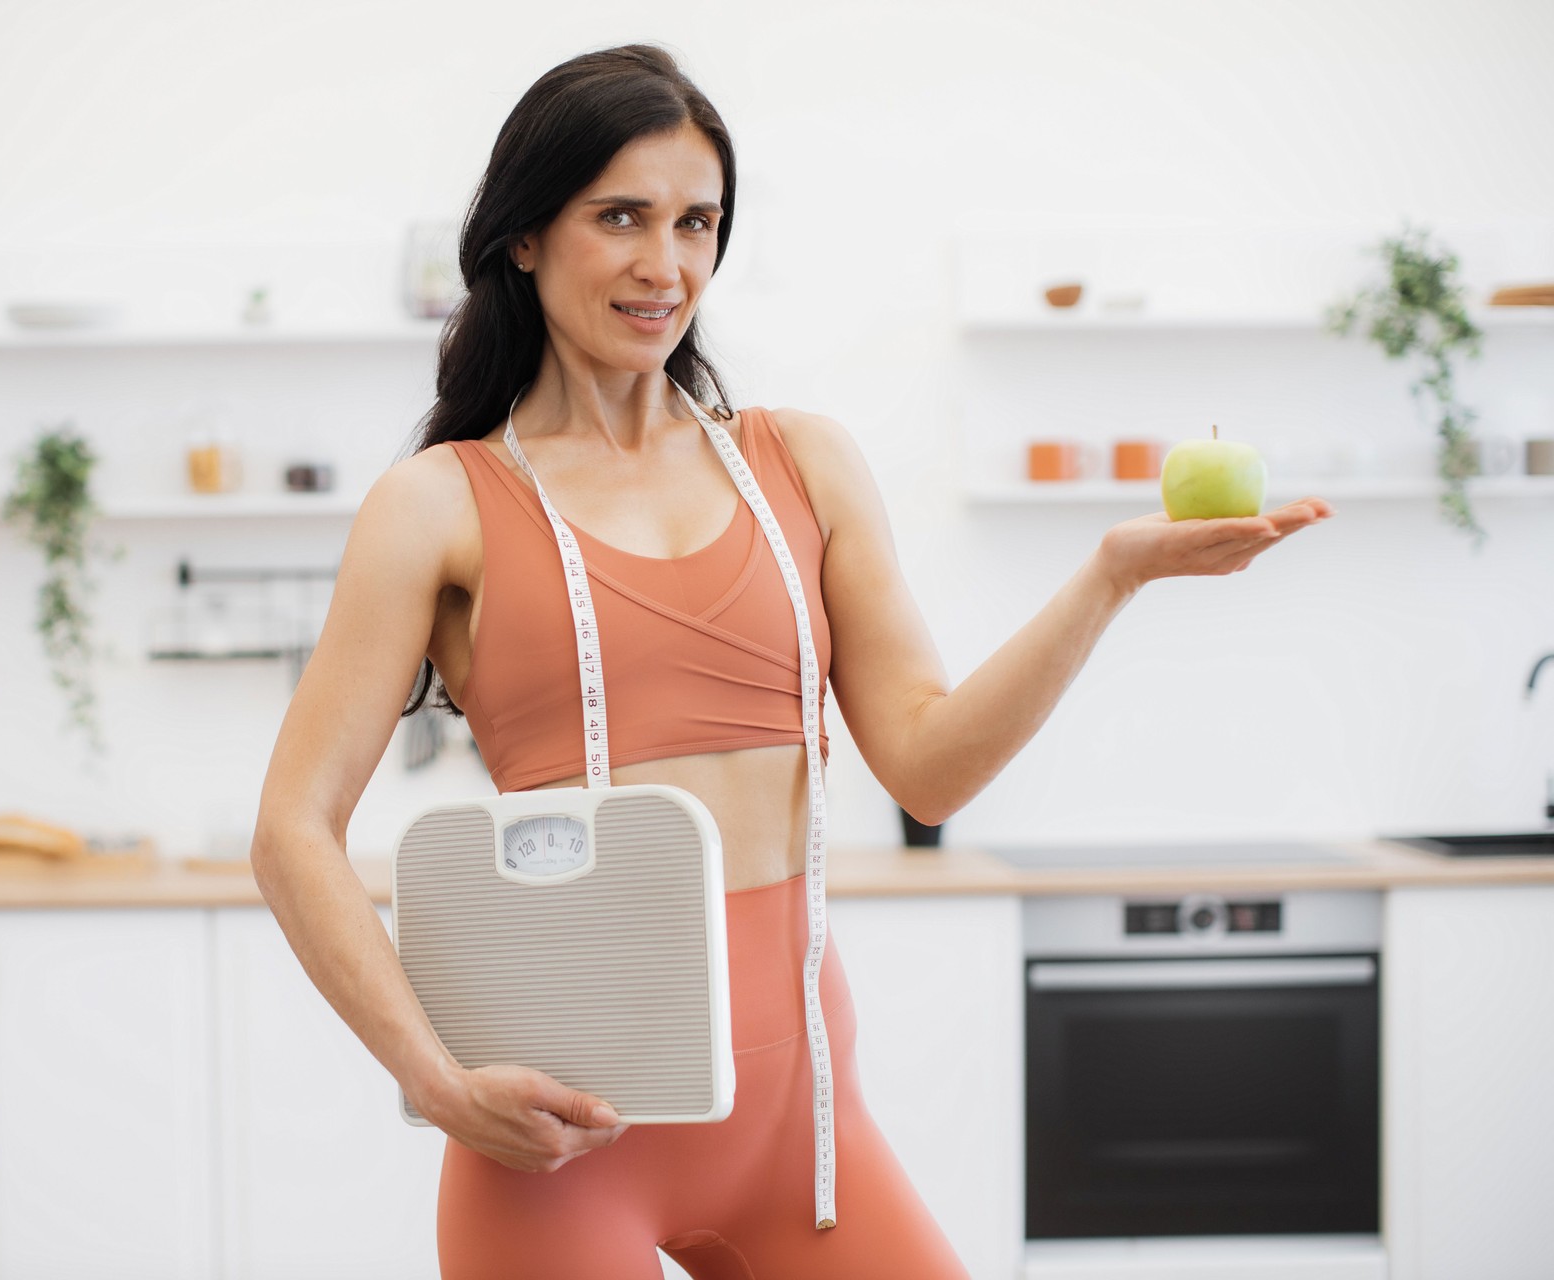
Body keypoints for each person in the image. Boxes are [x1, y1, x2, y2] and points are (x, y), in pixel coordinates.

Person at [250, 42, 1334, 1280]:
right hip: (560, 1138)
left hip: (804, 1131)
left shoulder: (800, 464)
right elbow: (292, 827)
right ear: (525, 237)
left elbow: (929, 766)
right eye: (621, 218)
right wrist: (434, 1080)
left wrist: (1111, 577)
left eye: (697, 222)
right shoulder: (437, 503)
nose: (667, 266)